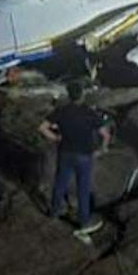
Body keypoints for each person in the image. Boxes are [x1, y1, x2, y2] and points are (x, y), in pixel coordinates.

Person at [39, 79, 113, 235]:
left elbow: (42, 127)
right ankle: (84, 222)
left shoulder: (62, 111)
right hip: (84, 156)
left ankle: (54, 212)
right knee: (83, 189)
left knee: (60, 183)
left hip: (65, 152)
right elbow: (105, 134)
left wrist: (56, 138)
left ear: (69, 95)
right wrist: (102, 148)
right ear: (82, 95)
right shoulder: (89, 112)